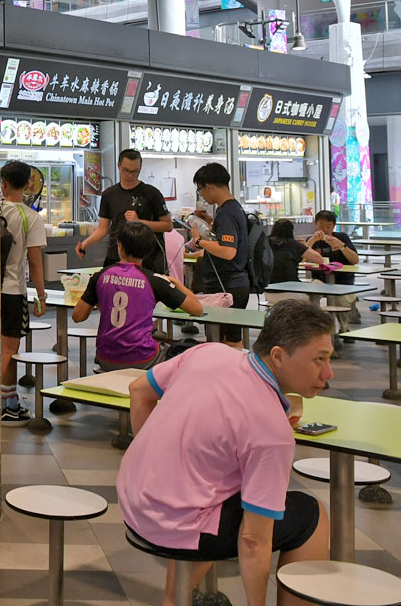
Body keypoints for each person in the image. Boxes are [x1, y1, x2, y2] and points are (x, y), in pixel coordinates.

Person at [119, 300, 335, 606]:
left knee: (219, 489)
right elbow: (252, 539)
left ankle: (174, 599)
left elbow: (138, 391)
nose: (329, 372)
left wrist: (158, 465)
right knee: (312, 516)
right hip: (173, 524)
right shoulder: (273, 432)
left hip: (132, 498)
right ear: (278, 355)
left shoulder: (209, 352)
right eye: (319, 359)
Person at [74, 220, 202, 370]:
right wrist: (177, 283)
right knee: (190, 348)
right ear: (149, 250)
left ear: (119, 246)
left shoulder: (99, 277)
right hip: (142, 359)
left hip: (105, 358)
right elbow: (197, 309)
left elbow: (78, 317)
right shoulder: (154, 281)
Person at [0, 161, 47, 425]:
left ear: (3, 183)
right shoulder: (31, 217)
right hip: (14, 291)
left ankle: (2, 400)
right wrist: (41, 295)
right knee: (9, 349)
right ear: (28, 183)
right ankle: (7, 405)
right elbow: (36, 261)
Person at [78, 150, 174, 273]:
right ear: (119, 166)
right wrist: (85, 244)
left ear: (140, 168)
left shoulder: (152, 193)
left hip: (146, 259)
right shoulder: (109, 195)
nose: (130, 175)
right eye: (126, 171)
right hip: (116, 256)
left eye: (135, 171)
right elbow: (103, 229)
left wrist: (140, 222)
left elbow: (168, 225)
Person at [188, 162, 252, 346]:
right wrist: (210, 222)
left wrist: (199, 241)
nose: (202, 195)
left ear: (209, 186)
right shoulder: (233, 208)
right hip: (233, 284)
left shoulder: (226, 213)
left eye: (200, 190)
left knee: (228, 342)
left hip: (227, 286)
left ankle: (235, 374)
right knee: (227, 339)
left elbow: (228, 251)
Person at [267, 218, 323, 287]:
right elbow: (319, 259)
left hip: (269, 289)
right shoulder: (293, 244)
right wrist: (304, 246)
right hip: (292, 288)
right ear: (291, 231)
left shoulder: (265, 243)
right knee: (318, 284)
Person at [304, 210, 359, 279]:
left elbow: (355, 260)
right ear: (315, 224)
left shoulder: (342, 237)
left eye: (328, 226)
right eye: (321, 226)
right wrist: (312, 240)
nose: (325, 230)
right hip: (319, 280)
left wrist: (341, 246)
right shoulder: (311, 240)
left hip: (343, 279)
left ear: (333, 226)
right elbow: (302, 260)